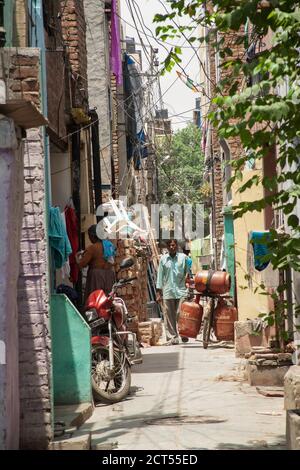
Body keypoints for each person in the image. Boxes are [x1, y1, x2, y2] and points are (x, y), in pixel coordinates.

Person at [156, 239, 189, 345]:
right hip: (168, 291)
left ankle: (183, 333)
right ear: (167, 247)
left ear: (176, 246)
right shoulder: (163, 259)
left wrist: (189, 284)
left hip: (181, 290)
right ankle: (172, 337)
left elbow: (188, 273)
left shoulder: (183, 258)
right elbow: (160, 276)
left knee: (181, 313)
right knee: (169, 315)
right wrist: (158, 291)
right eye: (170, 245)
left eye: (173, 245)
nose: (172, 247)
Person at [76, 225, 115, 303]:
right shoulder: (109, 246)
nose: (89, 238)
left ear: (93, 236)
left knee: (95, 300)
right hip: (109, 276)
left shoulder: (92, 248)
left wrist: (77, 258)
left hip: (96, 277)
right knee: (107, 299)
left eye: (89, 236)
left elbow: (83, 264)